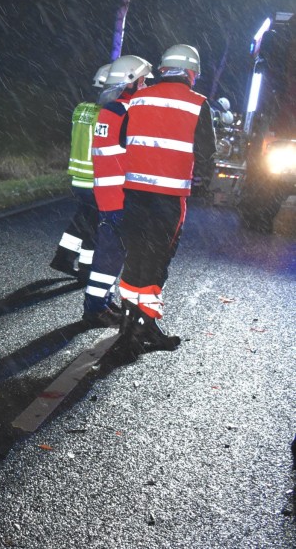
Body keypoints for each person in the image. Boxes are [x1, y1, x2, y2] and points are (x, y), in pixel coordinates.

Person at [109, 44, 216, 358]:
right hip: (168, 200)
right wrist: (203, 181)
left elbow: (120, 140)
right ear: (190, 72)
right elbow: (207, 153)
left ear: (164, 69)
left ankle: (128, 326)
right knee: (156, 264)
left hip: (134, 195)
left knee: (135, 258)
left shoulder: (138, 98)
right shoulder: (198, 104)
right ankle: (144, 329)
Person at [82, 55, 153, 327]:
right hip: (120, 195)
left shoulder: (110, 110)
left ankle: (101, 302)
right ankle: (94, 309)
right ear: (130, 82)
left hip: (107, 193)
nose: (146, 85)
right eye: (143, 80)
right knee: (111, 254)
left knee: (110, 252)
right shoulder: (126, 112)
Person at [49, 63, 112, 282]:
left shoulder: (81, 108)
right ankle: (86, 270)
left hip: (78, 177)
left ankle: (63, 258)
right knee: (93, 226)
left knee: (82, 218)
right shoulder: (105, 114)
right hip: (95, 178)